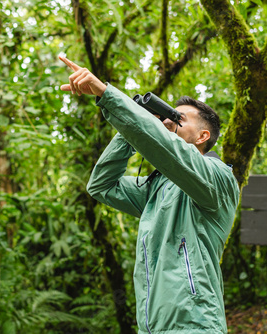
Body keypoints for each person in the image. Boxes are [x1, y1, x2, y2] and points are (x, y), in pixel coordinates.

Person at [59, 55, 239, 334]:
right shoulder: (157, 188)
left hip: (195, 325)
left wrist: (110, 97)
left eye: (179, 118)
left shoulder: (219, 179)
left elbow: (170, 150)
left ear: (203, 136)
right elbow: (101, 185)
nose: (168, 121)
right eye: (168, 115)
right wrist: (129, 132)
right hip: (151, 327)